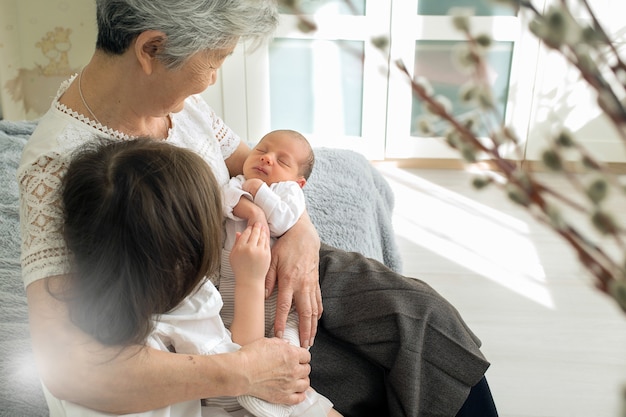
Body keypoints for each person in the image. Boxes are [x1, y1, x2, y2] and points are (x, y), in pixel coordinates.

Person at [17, 1, 498, 416]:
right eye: (217, 59)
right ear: (152, 49)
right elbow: (69, 366)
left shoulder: (175, 103)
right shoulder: (57, 165)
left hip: (264, 248)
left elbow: (254, 163)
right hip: (218, 311)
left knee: (425, 317)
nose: (213, 79)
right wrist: (242, 371)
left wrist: (302, 233)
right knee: (365, 383)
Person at [57, 138, 340, 417]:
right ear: (187, 248)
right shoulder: (190, 308)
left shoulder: (84, 320)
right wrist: (250, 282)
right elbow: (249, 380)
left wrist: (302, 230)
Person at [219, 129, 315, 350]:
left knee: (290, 344)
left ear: (299, 182)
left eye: (282, 161)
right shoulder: (239, 180)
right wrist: (254, 213)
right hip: (232, 281)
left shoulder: (289, 191)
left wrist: (259, 190)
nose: (266, 158)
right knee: (230, 341)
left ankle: (298, 380)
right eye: (261, 150)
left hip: (279, 289)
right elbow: (225, 201)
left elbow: (281, 220)